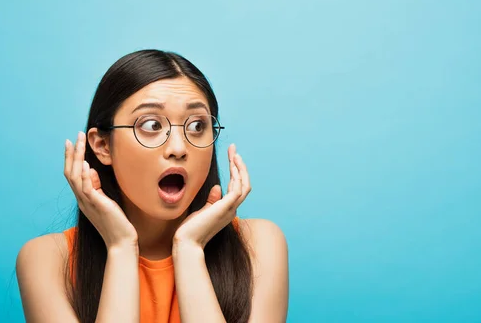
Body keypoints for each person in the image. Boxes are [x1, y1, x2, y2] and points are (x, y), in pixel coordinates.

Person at [15, 49, 289, 323]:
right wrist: (121, 246)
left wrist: (190, 249)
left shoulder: (258, 245)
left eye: (196, 125)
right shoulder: (48, 260)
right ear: (102, 145)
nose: (179, 148)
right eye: (151, 124)